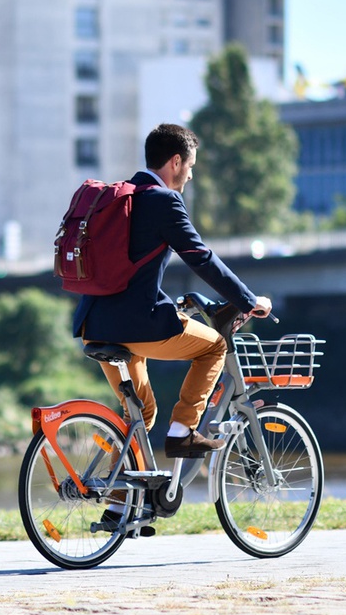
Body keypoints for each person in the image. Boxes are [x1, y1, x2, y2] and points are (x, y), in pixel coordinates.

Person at [74, 123, 273, 461]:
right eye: (191, 167)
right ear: (176, 162)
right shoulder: (163, 201)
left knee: (140, 414)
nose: (191, 176)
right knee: (214, 347)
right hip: (137, 325)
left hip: (94, 324)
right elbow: (201, 257)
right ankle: (183, 431)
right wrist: (249, 301)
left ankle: (120, 505)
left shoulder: (117, 197)